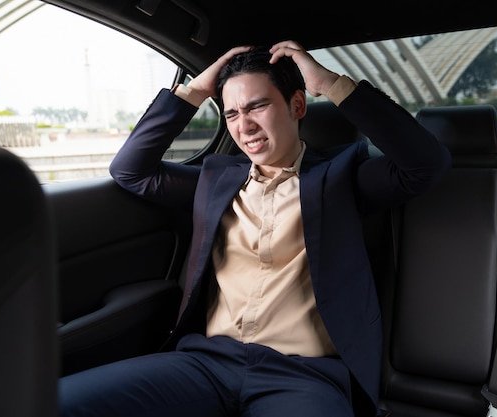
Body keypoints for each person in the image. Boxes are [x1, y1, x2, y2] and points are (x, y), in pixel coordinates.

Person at [59, 40, 451, 417]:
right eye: (231, 114)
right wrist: (195, 90)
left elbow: (426, 163)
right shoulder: (215, 179)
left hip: (304, 376)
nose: (243, 126)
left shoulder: (341, 177)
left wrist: (330, 84)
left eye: (257, 107)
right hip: (206, 363)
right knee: (53, 403)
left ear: (297, 105)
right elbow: (129, 170)